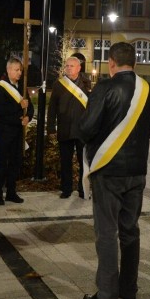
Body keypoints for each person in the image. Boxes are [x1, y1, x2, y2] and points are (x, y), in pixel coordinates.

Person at [79, 42, 150, 299]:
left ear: (111, 62)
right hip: (137, 171)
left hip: (109, 170)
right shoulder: (148, 90)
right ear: (134, 62)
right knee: (130, 230)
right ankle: (129, 290)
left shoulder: (105, 87)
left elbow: (87, 128)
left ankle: (107, 294)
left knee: (106, 232)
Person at [48, 56, 91, 199]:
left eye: (71, 66)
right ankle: (66, 188)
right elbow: (52, 108)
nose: (68, 68)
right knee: (65, 161)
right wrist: (51, 128)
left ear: (79, 68)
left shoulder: (86, 84)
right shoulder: (59, 85)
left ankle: (82, 189)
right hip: (64, 128)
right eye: (67, 66)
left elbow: (91, 107)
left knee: (82, 161)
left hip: (81, 130)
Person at [0, 58, 34, 205]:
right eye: (16, 70)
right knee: (2, 163)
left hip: (18, 134)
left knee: (15, 164)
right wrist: (19, 114)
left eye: (20, 70)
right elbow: (1, 111)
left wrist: (28, 117)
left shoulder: (22, 87)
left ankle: (11, 192)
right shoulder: (0, 88)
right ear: (9, 70)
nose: (19, 73)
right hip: (5, 132)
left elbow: (31, 107)